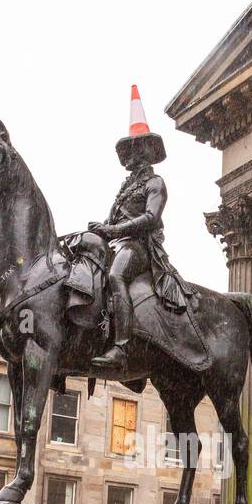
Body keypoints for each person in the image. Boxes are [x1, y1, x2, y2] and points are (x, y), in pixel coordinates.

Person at [89, 86, 193, 371]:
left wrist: (113, 230)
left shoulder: (155, 183)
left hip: (140, 247)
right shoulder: (125, 188)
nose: (130, 156)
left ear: (146, 152)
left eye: (135, 149)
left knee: (115, 275)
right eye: (129, 150)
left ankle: (122, 347)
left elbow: (150, 218)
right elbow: (113, 220)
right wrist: (100, 229)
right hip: (117, 243)